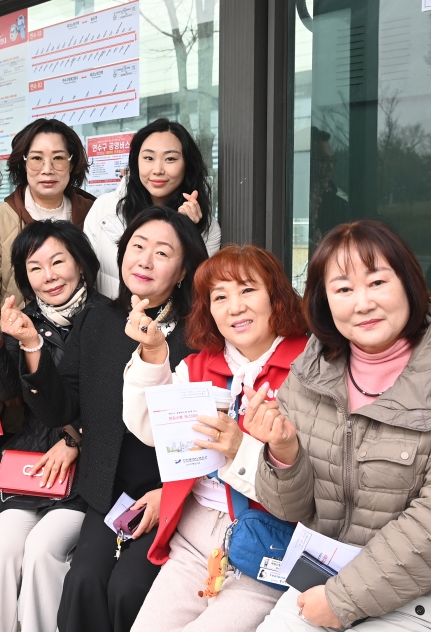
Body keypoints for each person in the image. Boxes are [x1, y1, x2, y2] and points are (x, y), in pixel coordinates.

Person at [251, 220, 431, 631]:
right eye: (343, 289)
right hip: (325, 580)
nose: (362, 303)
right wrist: (283, 454)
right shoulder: (310, 372)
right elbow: (288, 509)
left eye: (376, 282)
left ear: (408, 283)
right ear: (323, 301)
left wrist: (342, 599)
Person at [24, 207, 209, 631]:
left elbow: (204, 434)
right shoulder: (98, 320)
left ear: (182, 271)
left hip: (173, 495)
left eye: (162, 253)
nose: (144, 260)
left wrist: (171, 494)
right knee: (85, 580)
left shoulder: (199, 334)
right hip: (108, 490)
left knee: (129, 588)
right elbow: (62, 410)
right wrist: (32, 348)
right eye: (137, 248)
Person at [121, 245, 310, 632]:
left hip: (268, 541)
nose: (234, 307)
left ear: (276, 295)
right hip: (194, 535)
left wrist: (243, 447)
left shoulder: (309, 365)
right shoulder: (198, 365)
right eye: (219, 297)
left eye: (247, 290)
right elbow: (149, 429)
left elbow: (316, 473)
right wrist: (154, 353)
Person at [0, 220, 98, 632]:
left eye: (58, 261)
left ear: (82, 265)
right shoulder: (23, 319)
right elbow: (4, 391)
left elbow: (117, 398)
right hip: (34, 469)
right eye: (35, 267)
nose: (49, 275)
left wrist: (77, 438)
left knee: (42, 550)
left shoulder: (106, 318)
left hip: (88, 475)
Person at [84, 119, 220, 296]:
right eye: (148, 158)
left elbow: (197, 293)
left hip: (165, 323)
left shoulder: (207, 227)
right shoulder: (104, 208)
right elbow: (85, 276)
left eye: (170, 159)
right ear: (136, 161)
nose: (157, 170)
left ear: (187, 164)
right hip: (107, 321)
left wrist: (189, 232)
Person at [0, 118, 97, 316]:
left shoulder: (93, 212)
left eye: (58, 158)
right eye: (36, 158)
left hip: (89, 336)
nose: (47, 169)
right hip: (19, 338)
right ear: (23, 164)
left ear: (72, 162)